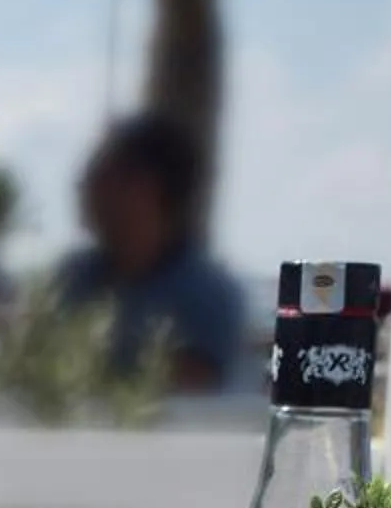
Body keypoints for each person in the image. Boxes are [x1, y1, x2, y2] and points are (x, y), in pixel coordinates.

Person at [51, 113, 249, 392]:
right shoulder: (74, 276)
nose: (82, 186)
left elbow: (181, 401)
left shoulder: (208, 295)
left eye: (98, 174)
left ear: (145, 187)